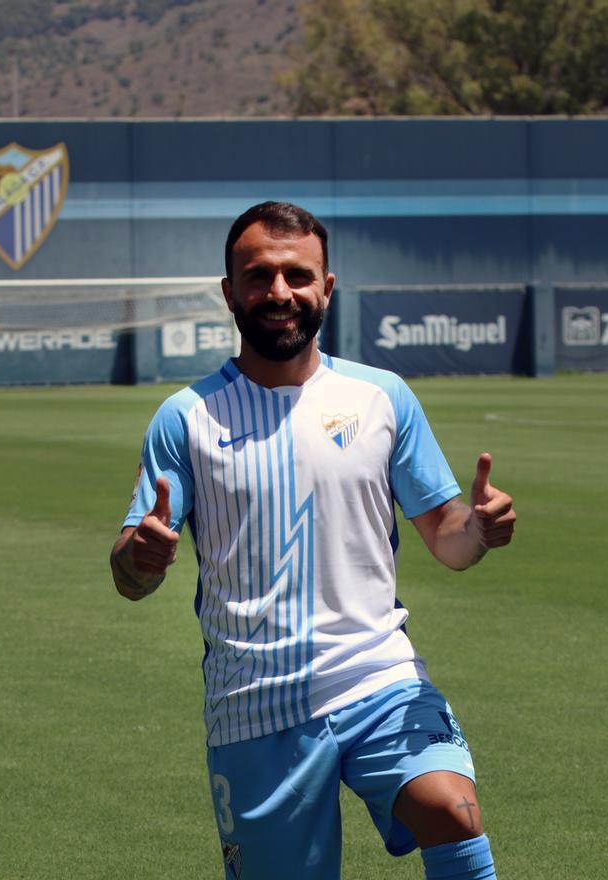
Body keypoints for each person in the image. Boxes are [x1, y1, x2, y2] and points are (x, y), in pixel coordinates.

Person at [110, 201, 516, 880]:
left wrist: (479, 528)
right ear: (229, 291)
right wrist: (140, 557)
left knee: (451, 809)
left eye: (297, 275)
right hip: (255, 706)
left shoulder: (382, 398)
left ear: (326, 288)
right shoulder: (187, 417)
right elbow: (130, 572)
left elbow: (448, 539)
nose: (279, 293)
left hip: (378, 677)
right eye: (258, 275)